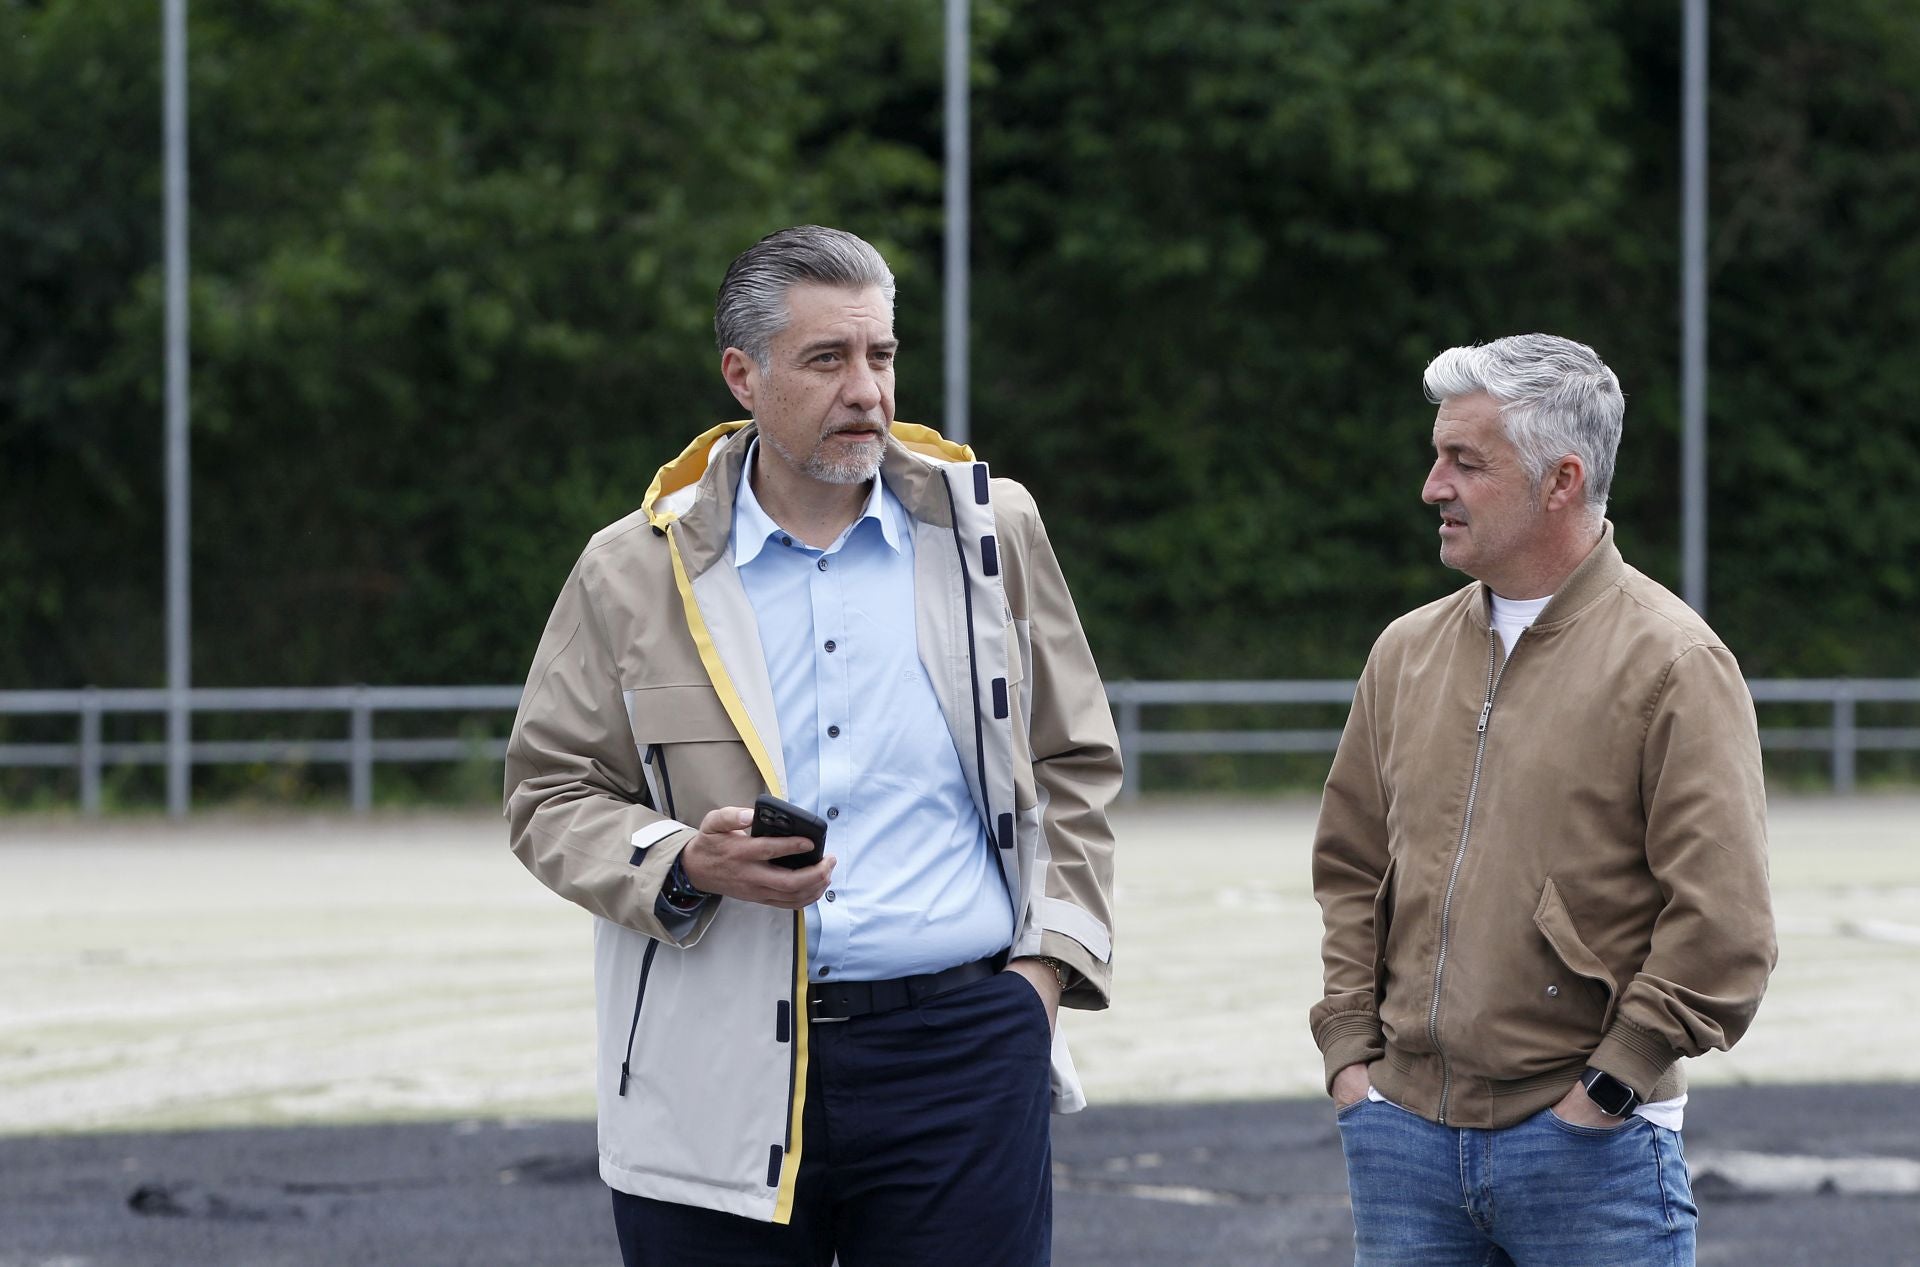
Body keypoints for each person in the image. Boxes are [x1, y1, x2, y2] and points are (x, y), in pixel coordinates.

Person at [505, 224, 1120, 1266]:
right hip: (711, 1063)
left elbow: (1074, 761)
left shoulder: (991, 530)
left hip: (965, 1052)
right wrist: (684, 860)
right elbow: (548, 791)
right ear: (743, 376)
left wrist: (1042, 978)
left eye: (880, 356)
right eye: (827, 359)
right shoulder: (630, 567)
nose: (866, 391)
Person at [1309, 334, 1776, 1266]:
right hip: (1402, 1138)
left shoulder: (1675, 662)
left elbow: (1725, 926)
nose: (1431, 486)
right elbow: (1351, 866)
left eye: (1463, 462)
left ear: (1560, 480)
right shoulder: (1404, 651)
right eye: (1438, 456)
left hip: (1592, 1150)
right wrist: (1351, 1057)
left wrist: (1609, 1089)